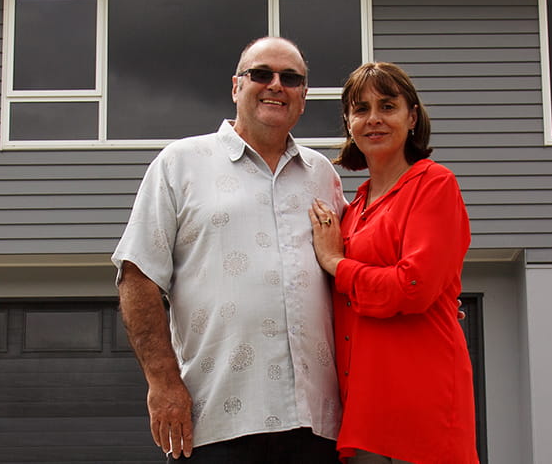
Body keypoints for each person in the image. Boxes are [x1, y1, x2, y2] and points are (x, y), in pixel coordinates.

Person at [112, 37, 346, 463]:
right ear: (237, 86)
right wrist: (163, 382)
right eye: (261, 74)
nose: (276, 85)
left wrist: (428, 300)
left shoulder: (322, 175)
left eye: (291, 78)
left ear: (303, 97)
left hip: (318, 426)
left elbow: (355, 265)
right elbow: (137, 275)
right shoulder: (180, 163)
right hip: (216, 422)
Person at [309, 62, 479, 464]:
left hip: (421, 402)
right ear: (348, 122)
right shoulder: (351, 209)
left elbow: (413, 288)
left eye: (387, 106)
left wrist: (336, 262)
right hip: (363, 410)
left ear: (412, 117)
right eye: (361, 109)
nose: (374, 119)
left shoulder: (434, 184)